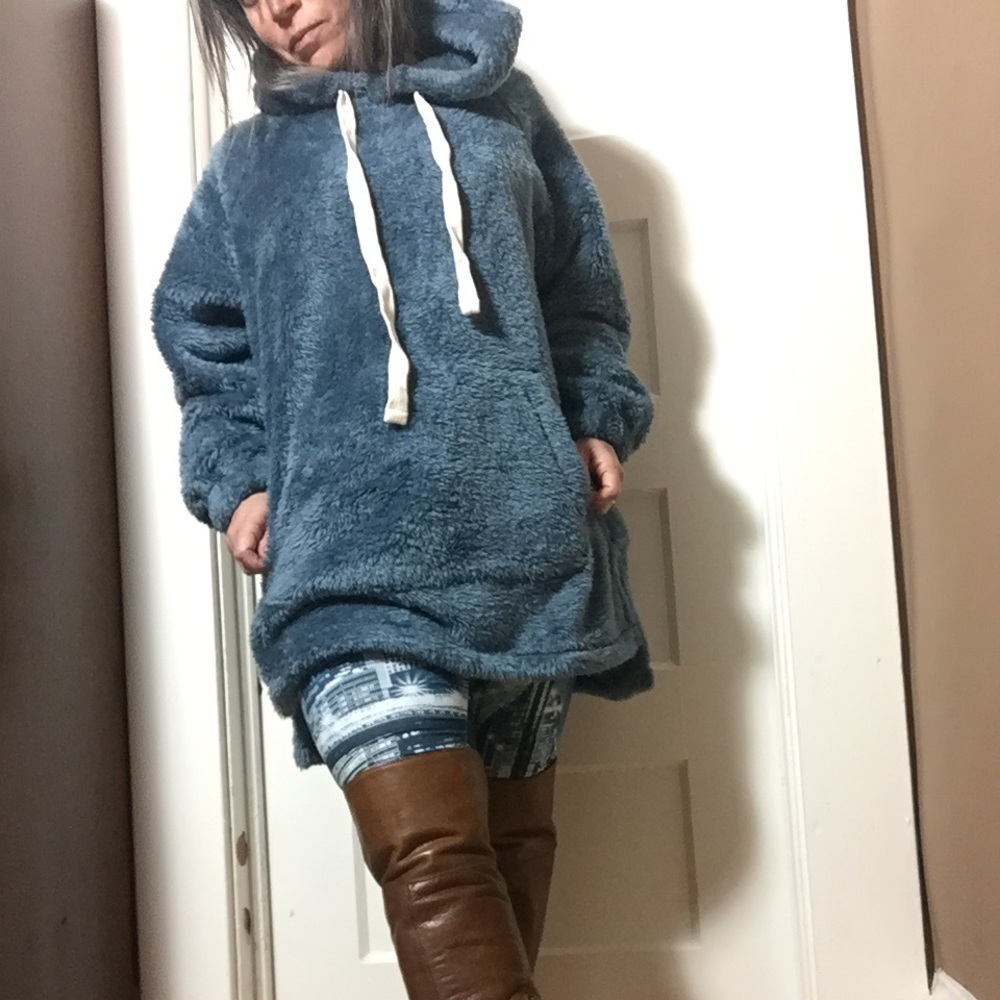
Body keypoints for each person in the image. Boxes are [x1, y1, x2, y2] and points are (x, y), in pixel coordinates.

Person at [153, 0, 654, 996]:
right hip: (346, 570)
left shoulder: (506, 116)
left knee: (511, 851)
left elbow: (580, 294)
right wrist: (239, 480)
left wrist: (595, 416)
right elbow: (208, 354)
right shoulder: (246, 169)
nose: (275, 11)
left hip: (525, 548)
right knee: (433, 862)